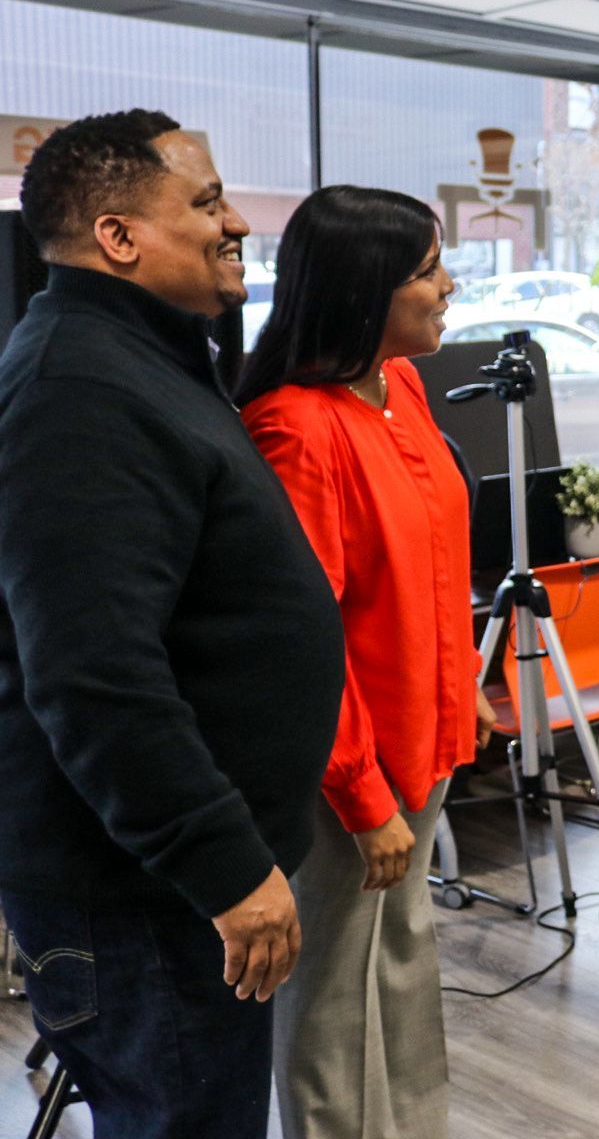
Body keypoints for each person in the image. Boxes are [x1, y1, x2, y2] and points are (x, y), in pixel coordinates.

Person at [0, 110, 344, 1137]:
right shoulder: (79, 388)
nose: (237, 221)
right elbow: (95, 673)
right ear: (118, 236)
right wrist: (228, 868)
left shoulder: (145, 357)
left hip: (169, 881)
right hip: (144, 895)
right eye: (205, 201)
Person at [234, 186, 495, 1139]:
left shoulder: (402, 386)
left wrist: (465, 687)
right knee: (334, 991)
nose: (447, 286)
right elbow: (305, 631)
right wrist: (360, 793)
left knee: (403, 955)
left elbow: (429, 564)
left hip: (421, 738)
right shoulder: (296, 425)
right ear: (364, 286)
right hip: (347, 770)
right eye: (428, 270)